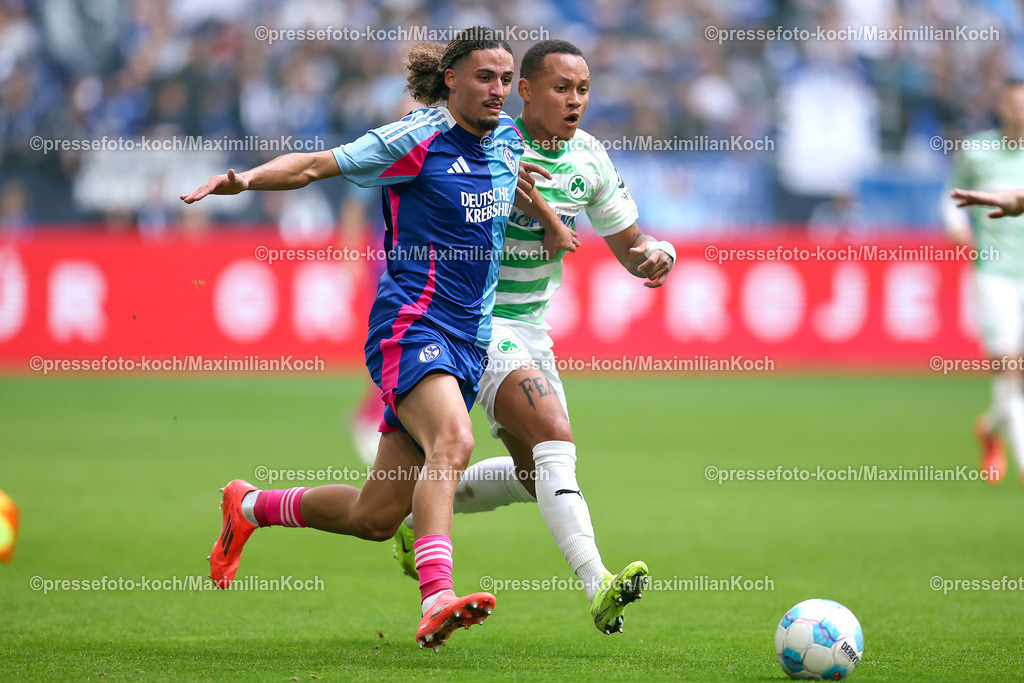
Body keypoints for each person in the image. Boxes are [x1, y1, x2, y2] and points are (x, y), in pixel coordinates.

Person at [181, 27, 557, 650]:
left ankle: (248, 506)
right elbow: (315, 165)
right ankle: (437, 595)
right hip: (411, 325)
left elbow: (518, 182)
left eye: (504, 78)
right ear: (453, 79)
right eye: (484, 78)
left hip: (469, 339)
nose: (497, 90)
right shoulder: (414, 138)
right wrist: (245, 181)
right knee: (455, 441)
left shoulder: (507, 140)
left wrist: (550, 225)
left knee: (375, 517)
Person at [394, 40, 676, 635]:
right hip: (472, 320)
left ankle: (417, 519)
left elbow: (631, 247)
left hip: (531, 329)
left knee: (536, 474)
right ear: (524, 90)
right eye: (560, 88)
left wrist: (656, 256)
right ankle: (598, 583)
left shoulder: (592, 158)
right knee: (555, 434)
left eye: (583, 90)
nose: (575, 101)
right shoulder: (491, 139)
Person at [943, 78, 1024, 487]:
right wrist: (956, 225)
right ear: (1002, 106)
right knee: (1009, 364)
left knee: (1018, 374)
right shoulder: (976, 149)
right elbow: (949, 196)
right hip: (994, 273)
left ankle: (990, 426)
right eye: (1015, 103)